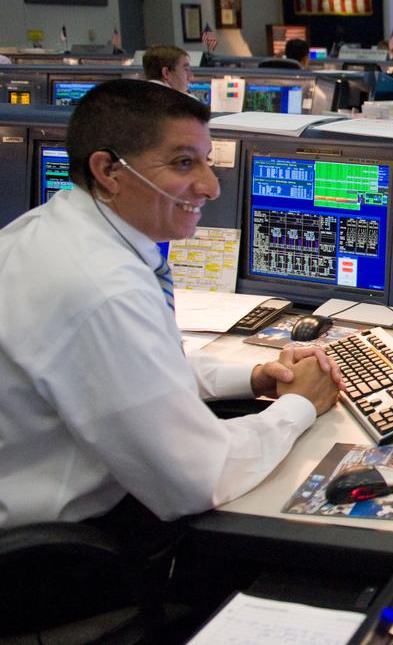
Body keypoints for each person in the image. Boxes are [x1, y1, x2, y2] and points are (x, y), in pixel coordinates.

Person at [0, 80, 342, 531]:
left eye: (207, 161)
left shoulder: (47, 231)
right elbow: (200, 477)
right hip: (51, 560)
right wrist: (299, 405)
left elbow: (133, 375)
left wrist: (256, 377)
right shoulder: (103, 290)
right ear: (108, 170)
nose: (210, 187)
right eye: (184, 163)